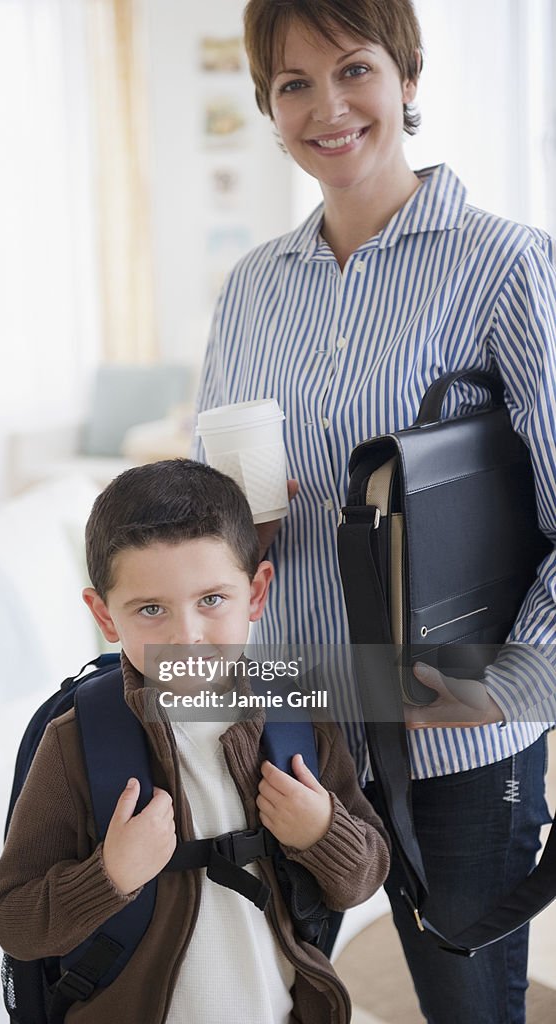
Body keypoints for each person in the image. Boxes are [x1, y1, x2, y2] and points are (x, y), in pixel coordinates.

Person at [193, 2, 556, 1022]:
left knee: (468, 1005)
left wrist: (501, 688)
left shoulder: (506, 265)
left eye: (353, 69)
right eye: (293, 84)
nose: (328, 106)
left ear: (405, 76)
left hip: (455, 746)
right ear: (268, 107)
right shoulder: (253, 288)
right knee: (269, 994)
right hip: (294, 725)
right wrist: (224, 536)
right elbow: (200, 493)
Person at [0, 459, 390, 1024]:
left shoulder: (297, 716)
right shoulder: (75, 742)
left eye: (211, 600)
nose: (187, 636)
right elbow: (15, 921)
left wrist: (323, 832)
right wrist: (110, 875)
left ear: (255, 593)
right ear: (104, 615)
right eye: (150, 609)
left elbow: (364, 879)